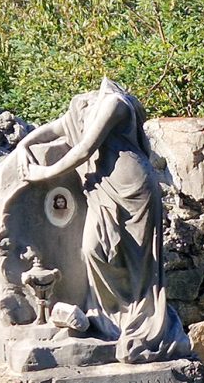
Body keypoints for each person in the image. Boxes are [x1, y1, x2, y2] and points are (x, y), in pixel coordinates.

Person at [11, 79, 190, 363]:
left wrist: (41, 174)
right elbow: (56, 128)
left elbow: (83, 149)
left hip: (133, 187)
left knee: (137, 264)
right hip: (103, 187)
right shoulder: (86, 105)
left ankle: (141, 324)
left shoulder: (115, 104)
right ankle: (110, 321)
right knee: (93, 250)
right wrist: (24, 144)